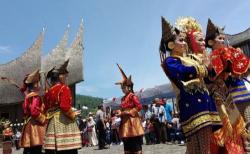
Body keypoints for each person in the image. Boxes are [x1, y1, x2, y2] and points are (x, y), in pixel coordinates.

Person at [159, 17, 221, 154]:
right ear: (171, 45)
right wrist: (203, 68)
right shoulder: (171, 61)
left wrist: (210, 67)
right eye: (180, 41)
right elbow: (183, 73)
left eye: (184, 40)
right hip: (192, 104)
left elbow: (210, 75)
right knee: (198, 148)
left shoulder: (191, 58)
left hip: (204, 102)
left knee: (201, 146)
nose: (184, 43)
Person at [205, 18, 250, 154]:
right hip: (229, 98)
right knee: (238, 130)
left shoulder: (232, 51)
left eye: (224, 38)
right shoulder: (210, 58)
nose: (224, 40)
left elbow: (245, 69)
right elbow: (214, 76)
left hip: (243, 93)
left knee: (248, 124)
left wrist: (240, 59)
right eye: (220, 38)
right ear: (211, 42)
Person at [43, 59, 82, 154]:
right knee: (68, 150)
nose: (66, 78)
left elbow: (45, 108)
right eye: (65, 76)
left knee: (53, 149)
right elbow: (64, 106)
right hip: (63, 122)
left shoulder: (47, 92)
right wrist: (73, 114)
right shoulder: (63, 88)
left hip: (52, 122)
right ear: (60, 76)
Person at [115, 64, 144, 154]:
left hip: (133, 122)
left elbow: (139, 106)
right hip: (125, 123)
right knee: (127, 143)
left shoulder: (132, 96)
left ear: (129, 87)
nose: (122, 89)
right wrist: (119, 111)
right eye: (122, 88)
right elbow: (121, 108)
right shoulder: (123, 98)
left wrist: (128, 112)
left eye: (124, 88)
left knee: (135, 142)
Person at [18, 69, 47, 154]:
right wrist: (44, 119)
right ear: (35, 84)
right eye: (39, 82)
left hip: (29, 124)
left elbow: (26, 112)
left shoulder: (28, 97)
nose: (40, 84)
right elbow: (34, 112)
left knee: (29, 149)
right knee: (36, 148)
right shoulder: (35, 96)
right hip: (36, 126)